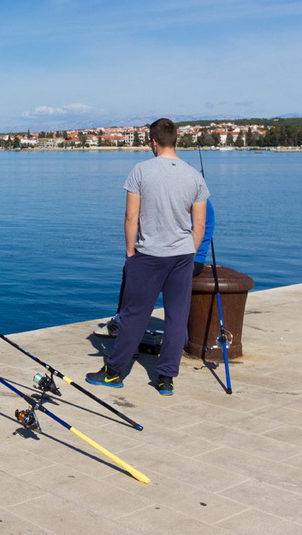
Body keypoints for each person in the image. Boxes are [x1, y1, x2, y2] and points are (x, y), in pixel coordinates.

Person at [86, 118, 209, 395]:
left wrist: (131, 251)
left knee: (134, 316)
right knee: (177, 318)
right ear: (175, 140)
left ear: (152, 141)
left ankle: (114, 372)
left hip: (148, 254)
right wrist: (188, 248)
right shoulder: (194, 176)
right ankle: (166, 379)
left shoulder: (140, 171)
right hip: (182, 255)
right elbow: (199, 224)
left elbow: (132, 216)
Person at [97, 199, 213, 338]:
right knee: (134, 269)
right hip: (188, 259)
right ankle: (123, 320)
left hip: (183, 259)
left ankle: (124, 323)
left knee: (134, 269)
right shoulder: (197, 198)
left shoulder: (190, 200)